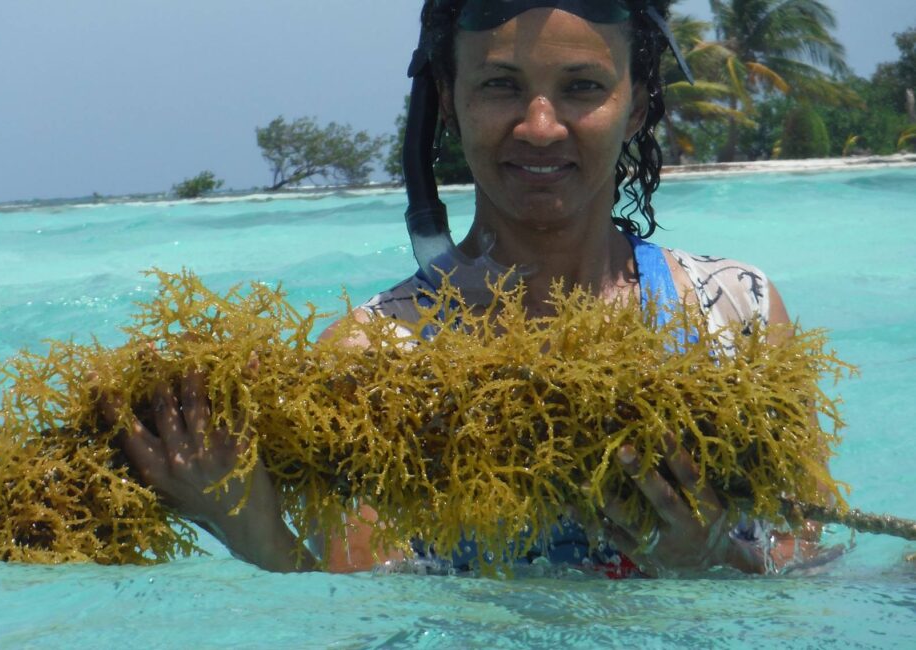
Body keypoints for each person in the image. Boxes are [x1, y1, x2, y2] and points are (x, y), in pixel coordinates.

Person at [107, 0, 813, 577]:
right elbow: (372, 613)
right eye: (500, 85)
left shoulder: (736, 314)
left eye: (583, 87)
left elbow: (811, 577)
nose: (540, 127)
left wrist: (711, 562)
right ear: (448, 102)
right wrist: (255, 533)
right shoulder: (374, 356)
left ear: (635, 107)